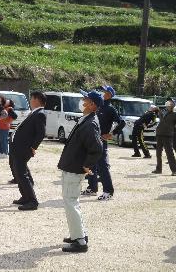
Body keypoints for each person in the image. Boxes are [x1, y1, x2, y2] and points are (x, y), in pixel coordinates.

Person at [58, 90, 103, 253]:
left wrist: (87, 164)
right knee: (72, 201)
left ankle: (80, 241)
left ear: (92, 105)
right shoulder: (87, 119)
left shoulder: (90, 123)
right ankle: (78, 234)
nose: (82, 101)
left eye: (85, 99)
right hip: (72, 166)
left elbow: (97, 149)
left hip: (74, 168)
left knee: (71, 201)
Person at [81, 85, 125, 201]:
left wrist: (112, 133)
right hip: (92, 140)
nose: (102, 92)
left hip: (101, 141)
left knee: (103, 167)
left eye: (104, 91)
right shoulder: (98, 106)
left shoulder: (110, 108)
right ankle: (92, 188)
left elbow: (122, 123)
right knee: (91, 164)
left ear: (109, 94)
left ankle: (108, 191)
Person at [10, 91, 46, 211]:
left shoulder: (40, 114)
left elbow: (41, 133)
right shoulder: (34, 113)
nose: (30, 101)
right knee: (18, 172)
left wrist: (33, 147)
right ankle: (25, 197)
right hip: (19, 148)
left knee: (21, 174)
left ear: (36, 100)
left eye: (31, 98)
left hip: (24, 149)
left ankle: (32, 201)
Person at [152, 98, 176, 176]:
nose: (168, 107)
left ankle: (174, 171)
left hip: (167, 135)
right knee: (158, 153)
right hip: (159, 134)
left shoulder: (174, 114)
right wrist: (158, 111)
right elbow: (161, 118)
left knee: (169, 153)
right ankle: (158, 169)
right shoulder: (164, 112)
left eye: (169, 105)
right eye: (167, 105)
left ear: (172, 106)